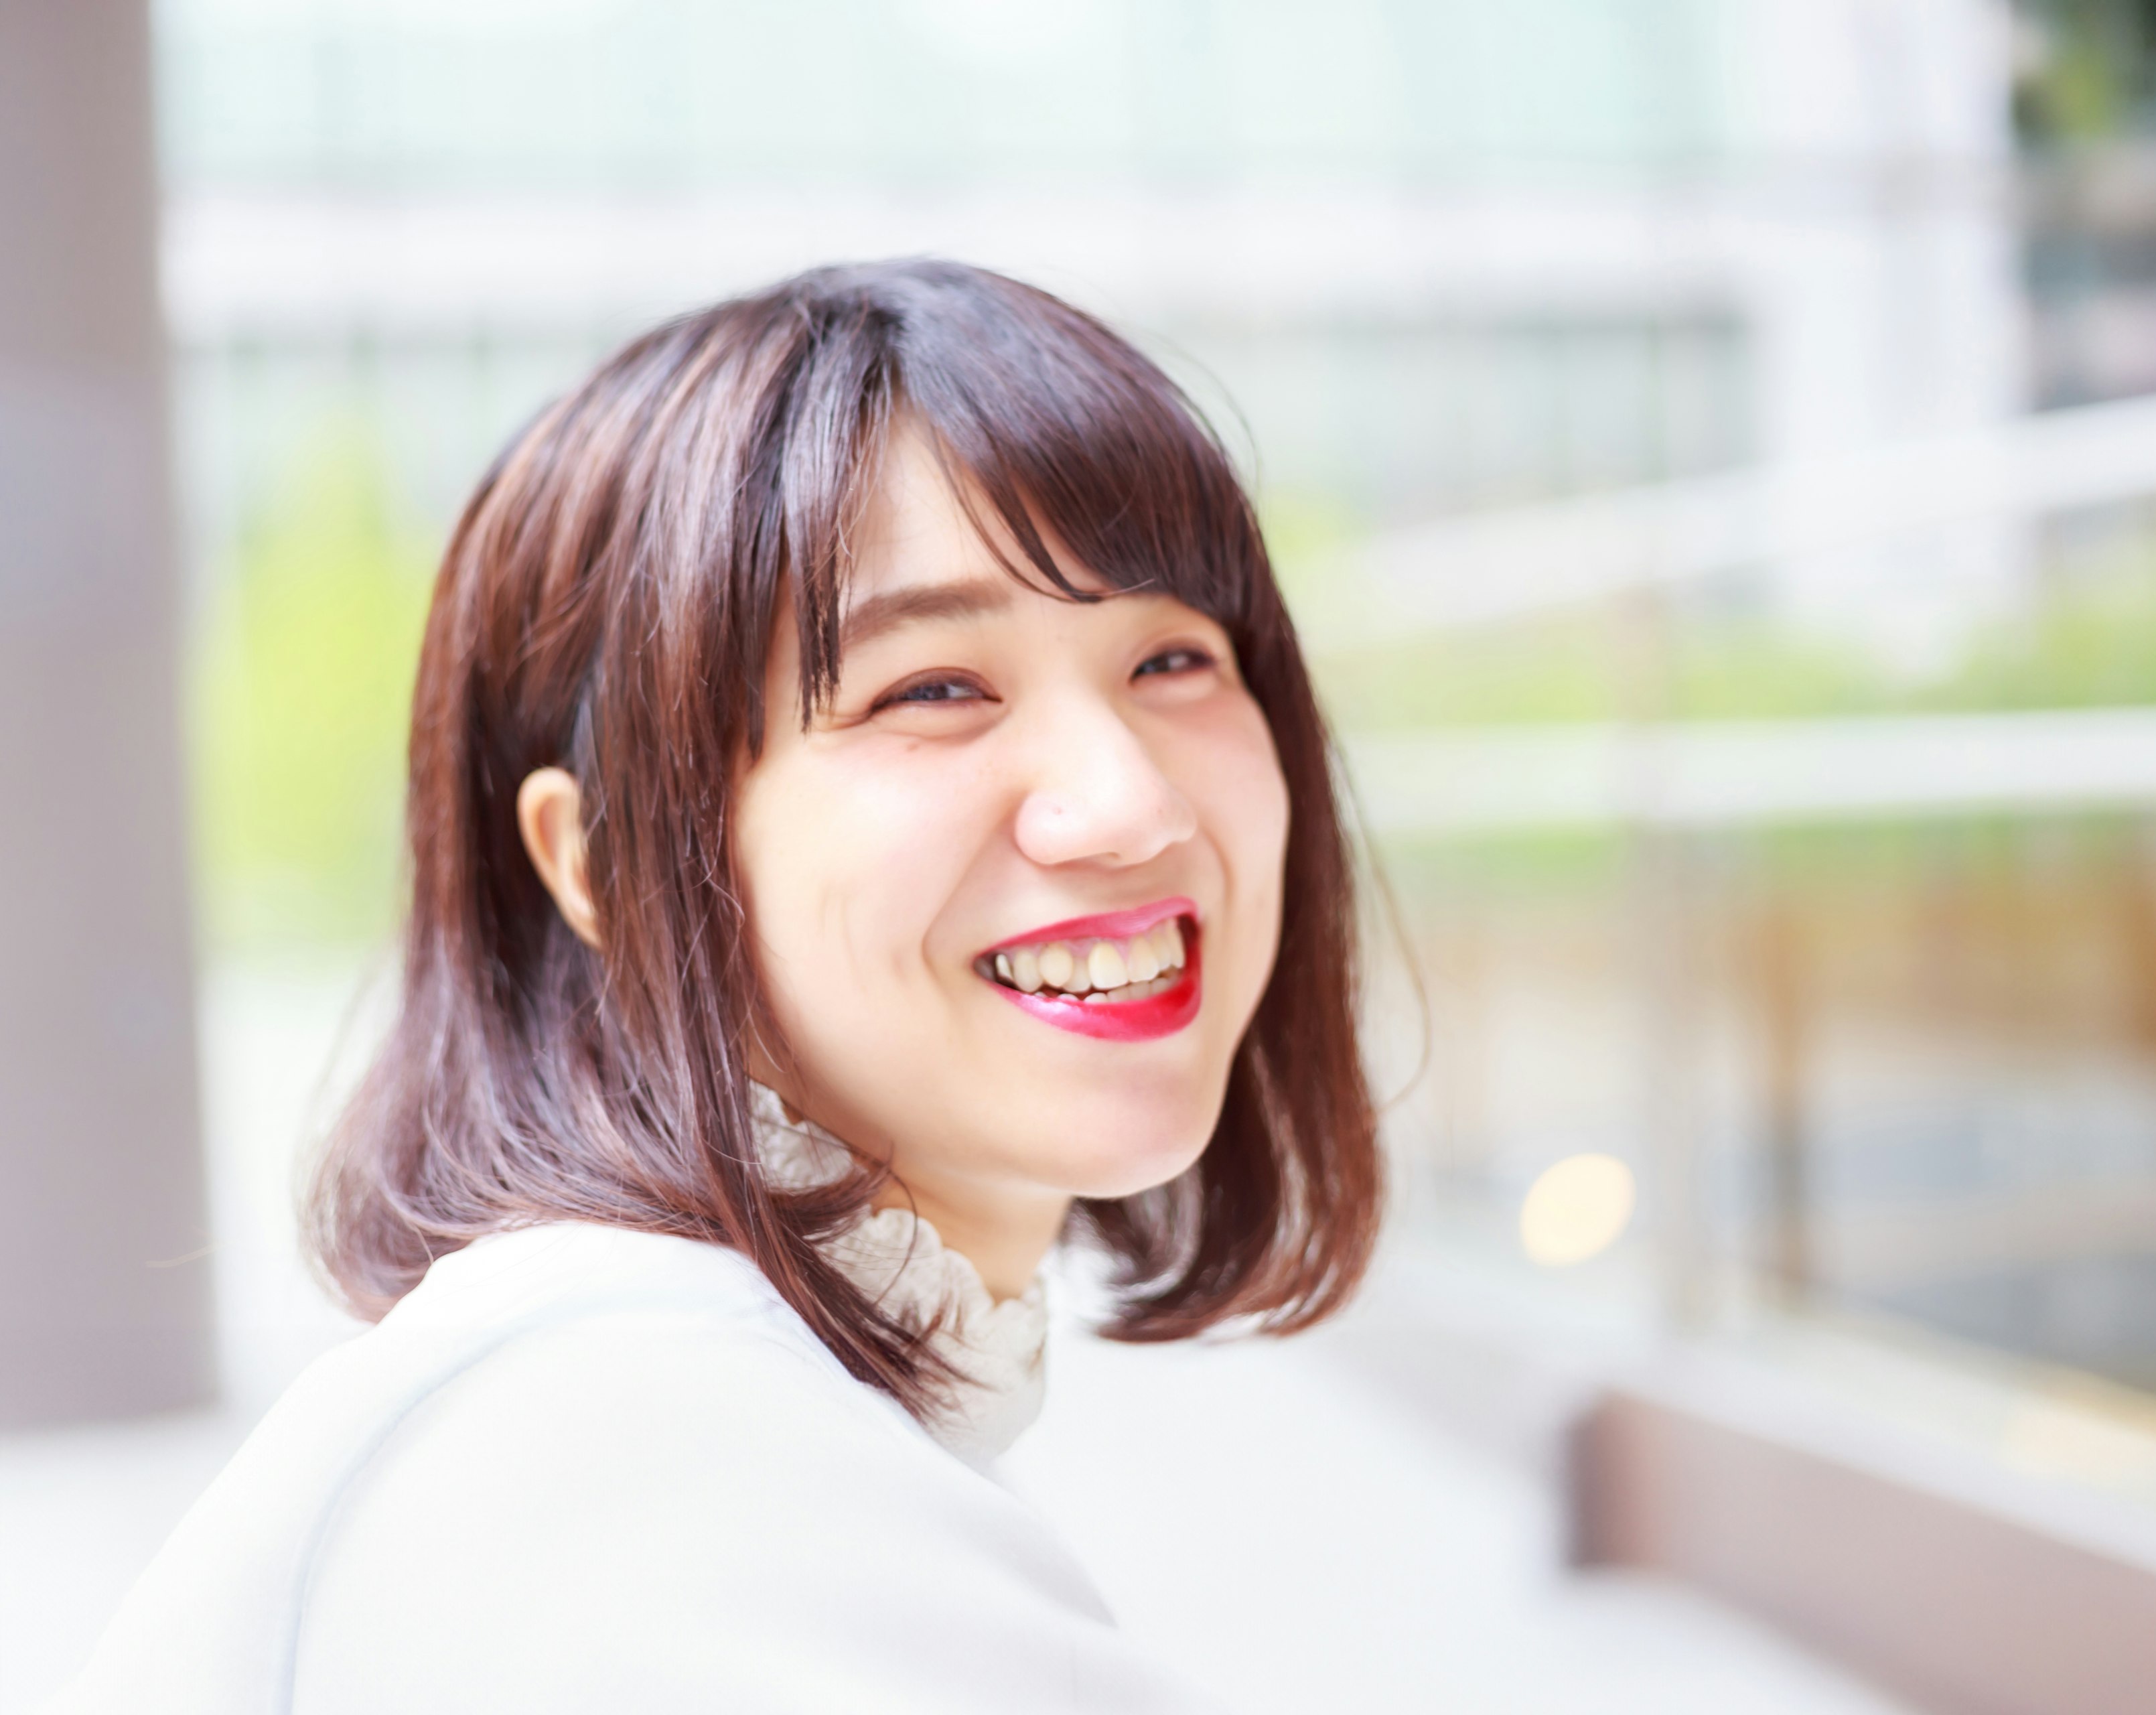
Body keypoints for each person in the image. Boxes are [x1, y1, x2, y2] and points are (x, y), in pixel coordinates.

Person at [52, 260, 1382, 1714]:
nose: (1128, 803)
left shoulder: (681, 1397)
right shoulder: (647, 1458)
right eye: (932, 687)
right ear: (602, 862)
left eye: (1175, 656)